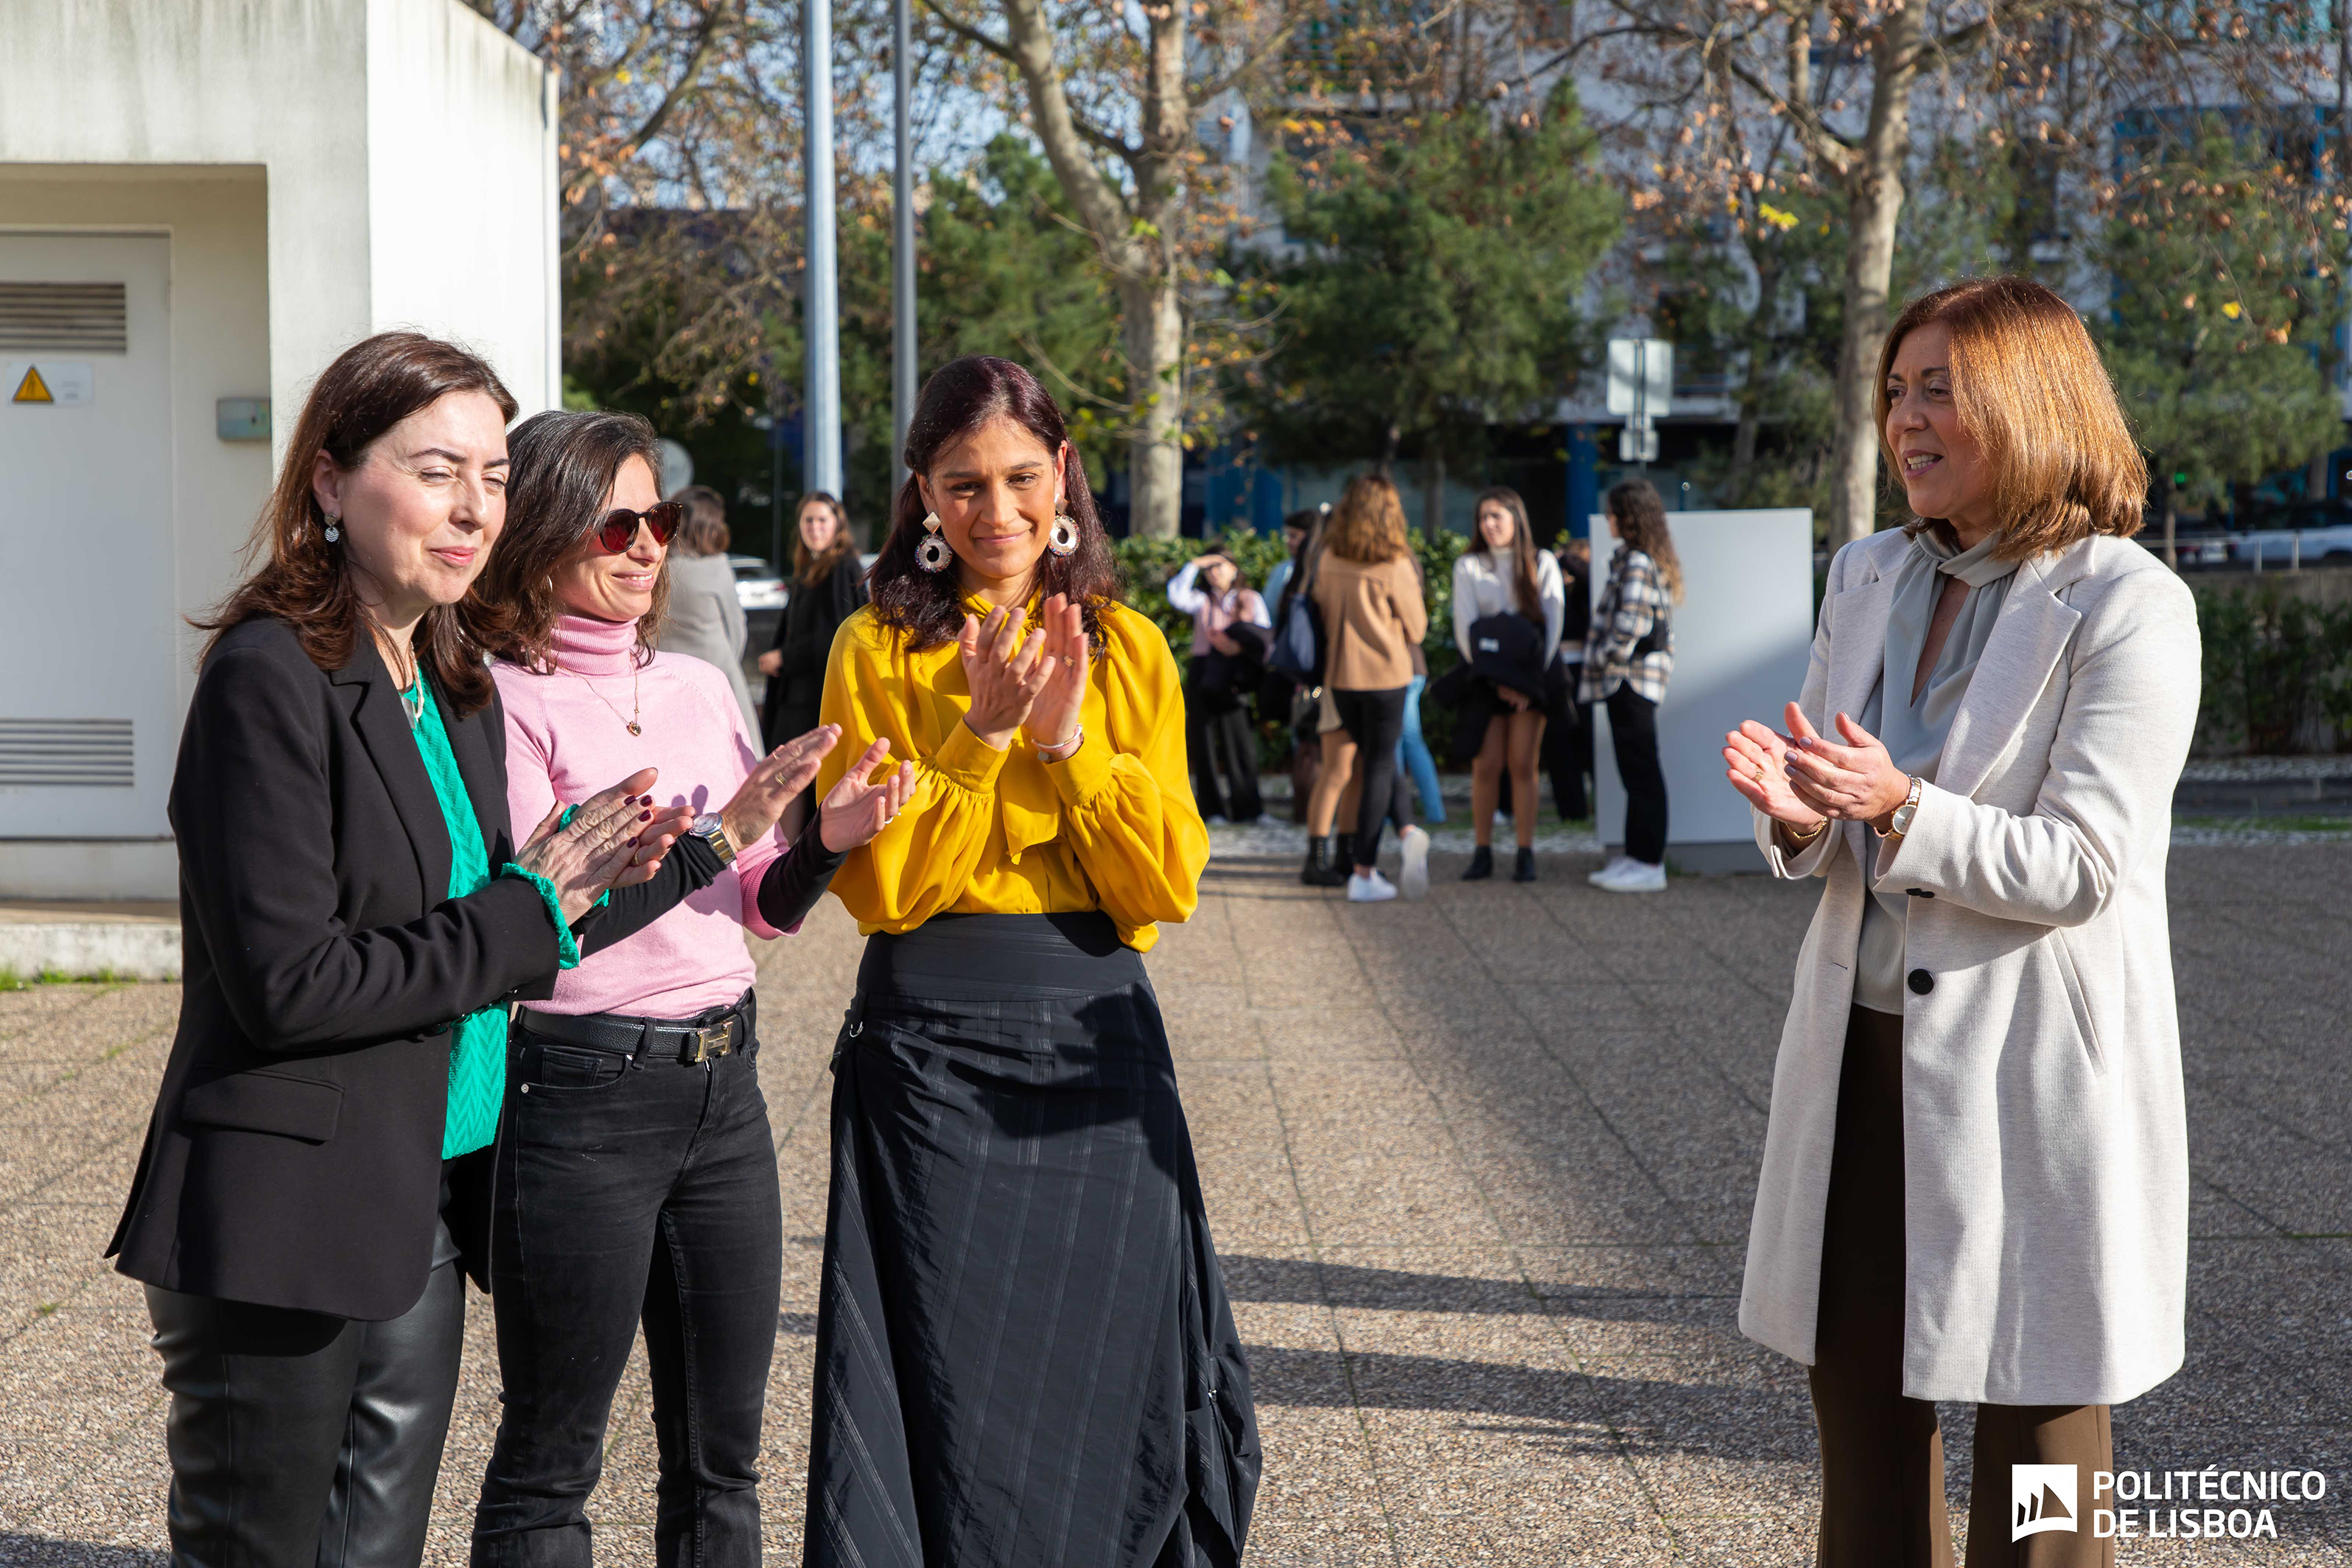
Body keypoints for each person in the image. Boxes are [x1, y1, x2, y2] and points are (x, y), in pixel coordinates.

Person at [107, 332, 690, 1568]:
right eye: (436, 470)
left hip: (416, 1193)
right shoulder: (268, 676)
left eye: (492, 474)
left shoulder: (448, 677)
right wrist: (530, 904)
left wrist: (607, 873)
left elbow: (495, 923)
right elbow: (290, 984)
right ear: (330, 481)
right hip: (284, 1219)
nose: (475, 505)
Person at [1724, 276, 2200, 1568]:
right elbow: (1840, 802)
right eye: (1895, 390)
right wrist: (1798, 809)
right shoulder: (1865, 570)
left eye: (1939, 387)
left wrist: (1896, 807)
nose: (1905, 417)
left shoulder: (2128, 602)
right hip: (1858, 1059)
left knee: (2042, 1433)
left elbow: (2084, 863)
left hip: (2029, 1074)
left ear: (2032, 399)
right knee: (1860, 1410)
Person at [805, 354, 1259, 1567]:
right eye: (961, 485)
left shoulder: (1129, 648)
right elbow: (887, 888)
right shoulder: (875, 648)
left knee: (1110, 1370)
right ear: (921, 495)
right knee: (949, 1392)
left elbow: (1160, 886)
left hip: (1096, 1048)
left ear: (1061, 473)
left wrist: (1067, 749)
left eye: (1017, 478)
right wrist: (980, 735)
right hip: (928, 1048)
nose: (994, 513)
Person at [468, 412, 911, 1565]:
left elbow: (756, 902)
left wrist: (826, 845)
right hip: (581, 1093)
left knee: (723, 1463)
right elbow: (553, 927)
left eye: (657, 517)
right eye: (616, 521)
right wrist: (727, 832)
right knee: (552, 1460)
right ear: (542, 528)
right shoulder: (504, 696)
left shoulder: (701, 684)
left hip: (726, 1090)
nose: (646, 544)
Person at [1306, 474, 1430, 903]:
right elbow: (1418, 628)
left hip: (1341, 678)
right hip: (1387, 677)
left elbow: (1320, 614)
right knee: (1380, 765)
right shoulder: (1394, 563)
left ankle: (1409, 831)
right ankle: (1364, 870)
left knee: (1373, 764)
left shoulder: (1328, 559)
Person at [1453, 486, 1565, 883]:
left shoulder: (1542, 562)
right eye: (1483, 517)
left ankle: (1525, 851)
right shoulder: (1468, 565)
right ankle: (1482, 851)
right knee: (1485, 766)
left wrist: (1527, 684)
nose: (1488, 524)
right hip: (1486, 681)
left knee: (1523, 764)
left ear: (1516, 519)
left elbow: (1553, 627)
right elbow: (1464, 631)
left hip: (1530, 683)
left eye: (1496, 516)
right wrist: (1498, 682)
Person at [1582, 480, 1681, 893]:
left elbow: (1631, 625)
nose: (1608, 520)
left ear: (1629, 516)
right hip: (1631, 679)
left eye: (1614, 512)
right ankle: (1636, 857)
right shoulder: (1633, 559)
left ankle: (1649, 863)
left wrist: (1604, 658)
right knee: (1635, 769)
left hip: (1630, 679)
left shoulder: (1637, 562)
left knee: (1641, 771)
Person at [1166, 545, 1270, 823]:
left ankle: (1249, 808)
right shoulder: (1202, 600)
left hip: (1236, 671)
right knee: (1205, 739)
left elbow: (1263, 634)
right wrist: (1195, 564)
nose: (1214, 572)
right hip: (1205, 670)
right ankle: (1212, 809)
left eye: (1220, 565)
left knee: (1240, 739)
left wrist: (1236, 647)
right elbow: (1176, 595)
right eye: (1210, 568)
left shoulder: (1249, 598)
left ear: (1234, 568)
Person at [760, 490, 867, 755]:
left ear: (837, 525)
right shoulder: (810, 568)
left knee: (793, 780)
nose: (814, 528)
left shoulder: (842, 567)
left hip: (819, 700)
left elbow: (839, 633)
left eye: (822, 520)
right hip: (800, 697)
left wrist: (784, 657)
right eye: (808, 521)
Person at [654, 483, 758, 732]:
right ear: (710, 526)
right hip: (717, 673)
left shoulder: (657, 569)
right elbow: (737, 629)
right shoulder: (717, 566)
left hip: (663, 682)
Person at [1544, 536, 1595, 819]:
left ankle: (1596, 805)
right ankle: (1571, 809)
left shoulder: (1587, 589)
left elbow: (1585, 577)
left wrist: (1564, 558)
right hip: (1556, 670)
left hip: (1583, 669)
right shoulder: (1552, 593)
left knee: (1587, 740)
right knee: (1559, 742)